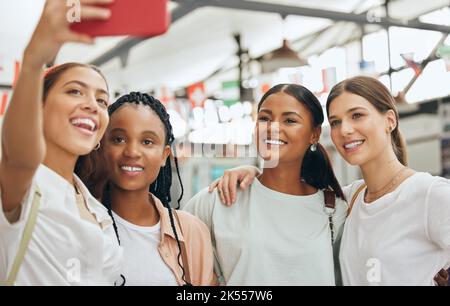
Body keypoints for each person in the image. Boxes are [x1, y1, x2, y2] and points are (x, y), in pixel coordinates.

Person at [210, 76, 450, 286]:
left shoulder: (429, 194)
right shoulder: (349, 200)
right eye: (335, 122)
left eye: (357, 115)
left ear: (390, 120)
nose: (345, 129)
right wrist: (251, 170)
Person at [0, 0, 123, 285]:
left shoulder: (96, 208)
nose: (92, 105)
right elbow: (19, 158)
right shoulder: (23, 186)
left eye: (102, 100)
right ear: (37, 109)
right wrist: (33, 60)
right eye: (75, 92)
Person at [184, 84, 348, 285]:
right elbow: (175, 262)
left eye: (289, 120)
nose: (272, 127)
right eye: (264, 118)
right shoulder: (216, 201)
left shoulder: (335, 210)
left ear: (314, 134)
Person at [77, 92, 216, 286]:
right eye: (118, 139)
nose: (132, 152)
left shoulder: (191, 231)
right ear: (101, 146)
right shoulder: (79, 223)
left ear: (164, 155)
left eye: (147, 142)